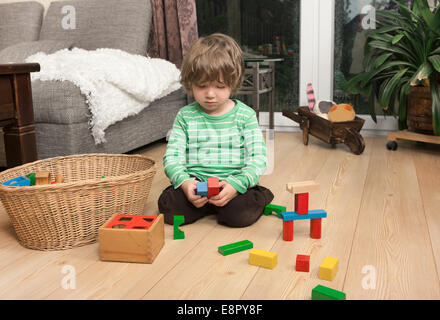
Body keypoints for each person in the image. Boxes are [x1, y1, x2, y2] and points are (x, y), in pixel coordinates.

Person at [158, 33, 274, 228]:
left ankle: (259, 195)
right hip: (196, 183)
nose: (210, 94)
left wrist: (238, 184)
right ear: (190, 83)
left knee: (239, 216)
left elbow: (259, 158)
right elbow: (172, 158)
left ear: (233, 82)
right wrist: (185, 184)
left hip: (234, 182)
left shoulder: (245, 115)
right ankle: (201, 204)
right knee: (169, 208)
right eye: (202, 86)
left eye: (220, 86)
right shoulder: (186, 116)